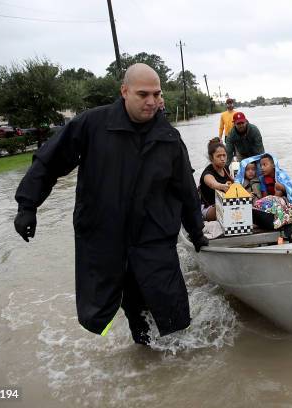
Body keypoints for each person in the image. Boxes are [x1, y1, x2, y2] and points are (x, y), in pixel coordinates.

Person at [13, 63, 209, 345]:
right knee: (126, 308)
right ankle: (144, 358)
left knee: (172, 308)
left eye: (156, 94)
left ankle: (179, 361)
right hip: (105, 238)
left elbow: (186, 191)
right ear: (124, 91)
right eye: (143, 94)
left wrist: (197, 231)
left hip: (153, 238)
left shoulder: (169, 138)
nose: (152, 101)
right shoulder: (92, 125)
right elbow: (49, 161)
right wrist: (27, 206)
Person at [199, 138, 234, 221]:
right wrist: (221, 186)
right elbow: (212, 184)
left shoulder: (226, 169)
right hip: (208, 208)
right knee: (225, 207)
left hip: (224, 203)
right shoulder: (207, 173)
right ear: (211, 158)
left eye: (224, 155)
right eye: (218, 156)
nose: (222, 159)